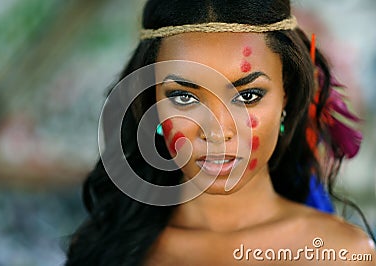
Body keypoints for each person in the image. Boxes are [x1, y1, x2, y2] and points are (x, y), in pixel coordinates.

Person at [65, 0, 376, 265]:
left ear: (287, 97)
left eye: (248, 96)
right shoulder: (105, 250)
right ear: (151, 105)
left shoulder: (342, 254)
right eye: (184, 96)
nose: (217, 131)